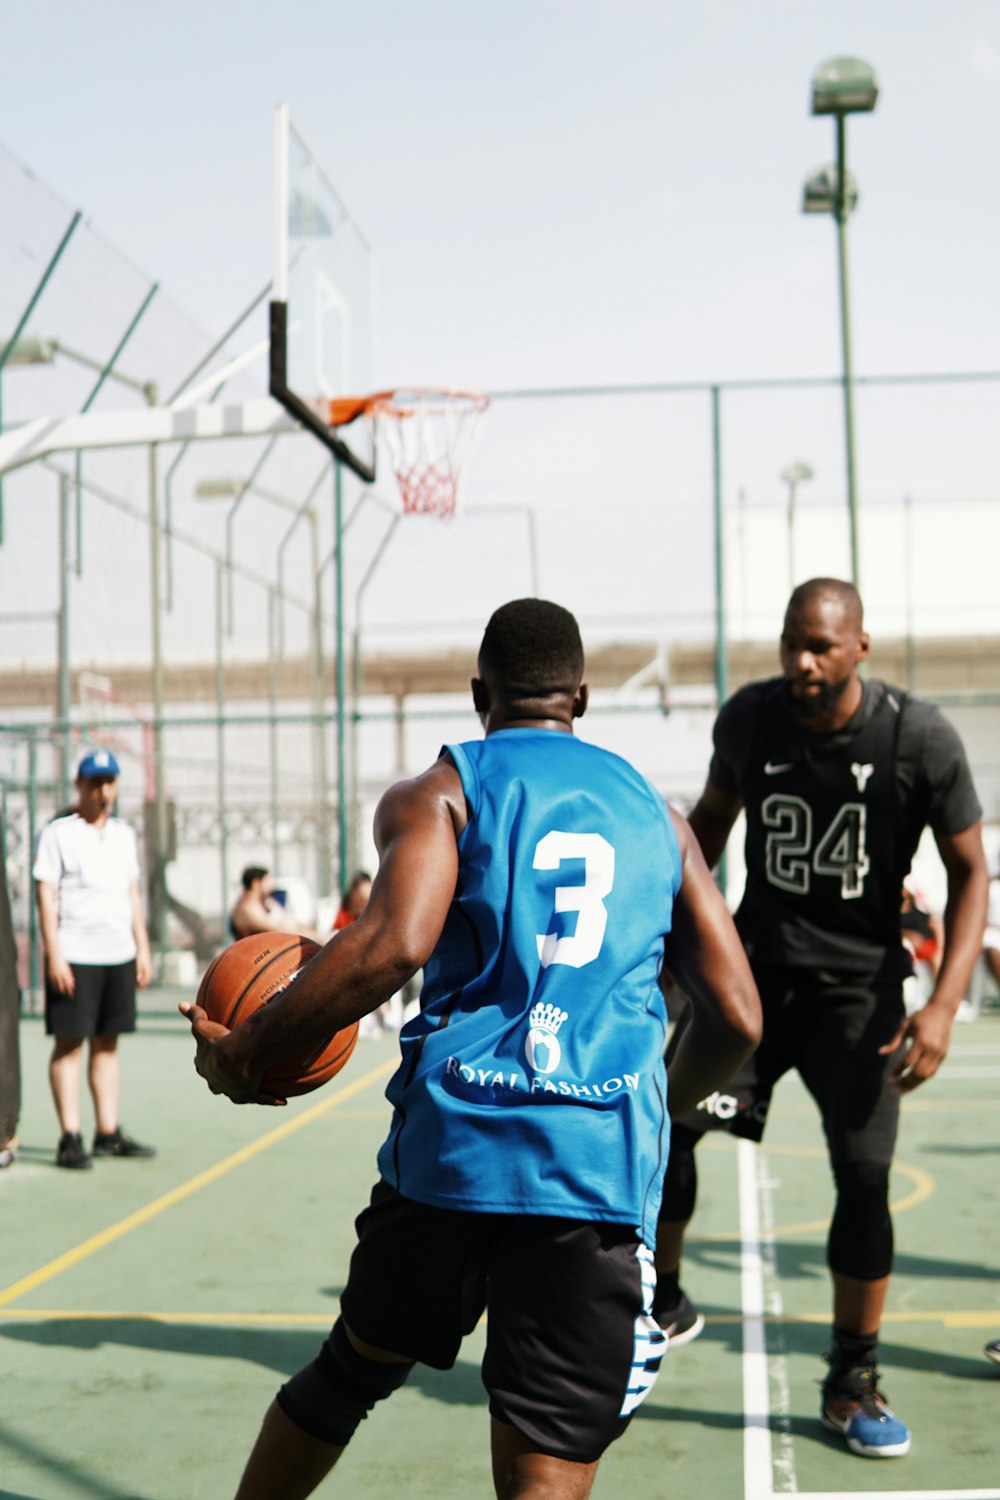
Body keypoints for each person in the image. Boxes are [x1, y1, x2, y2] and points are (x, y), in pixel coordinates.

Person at [181, 598, 762, 1500]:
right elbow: (736, 1015)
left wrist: (246, 1048)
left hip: (452, 1157)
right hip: (589, 1169)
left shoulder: (441, 791)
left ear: (478, 691)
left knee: (349, 1373)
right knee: (545, 1463)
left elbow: (394, 943)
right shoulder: (659, 815)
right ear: (580, 696)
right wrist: (661, 1106)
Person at [655, 578, 988, 1460]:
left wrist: (944, 1005)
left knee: (864, 1179)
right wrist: (673, 952)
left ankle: (852, 1378)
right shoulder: (752, 719)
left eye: (822, 648)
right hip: (754, 986)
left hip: (861, 997)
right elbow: (705, 832)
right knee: (664, 1131)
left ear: (860, 648)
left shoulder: (917, 736)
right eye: (792, 642)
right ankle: (659, 1308)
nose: (802, 662)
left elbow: (971, 873)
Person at [33, 749, 156, 1169]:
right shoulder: (58, 833)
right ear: (79, 787)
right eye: (94, 783)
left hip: (116, 953)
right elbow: (46, 899)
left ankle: (108, 1131)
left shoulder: (123, 833)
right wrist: (55, 956)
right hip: (76, 954)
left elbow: (132, 895)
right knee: (69, 1043)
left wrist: (142, 947)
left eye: (109, 783)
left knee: (108, 1043)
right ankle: (70, 1136)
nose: (103, 791)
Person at [230, 866, 324, 945]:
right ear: (256, 884)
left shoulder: (267, 903)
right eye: (267, 883)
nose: (271, 886)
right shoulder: (246, 909)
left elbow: (289, 921)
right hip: (256, 959)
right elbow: (276, 931)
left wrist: (313, 930)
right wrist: (312, 936)